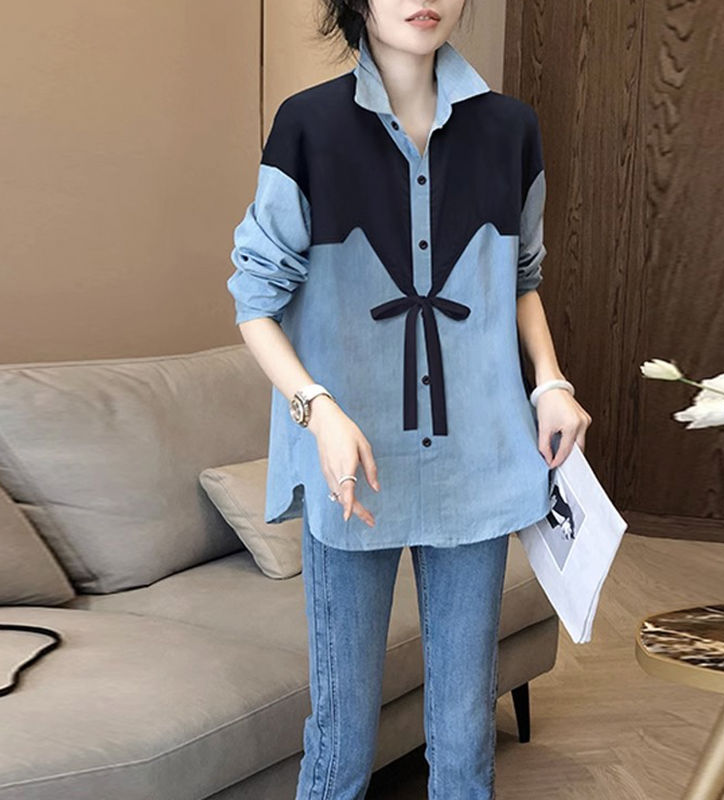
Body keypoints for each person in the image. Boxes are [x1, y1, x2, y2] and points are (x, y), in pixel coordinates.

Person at [227, 1, 592, 797]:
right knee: (342, 736)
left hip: (479, 458)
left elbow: (521, 277)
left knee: (464, 736)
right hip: (352, 471)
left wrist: (550, 381)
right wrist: (317, 408)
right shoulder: (308, 127)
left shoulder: (511, 130)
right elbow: (254, 300)